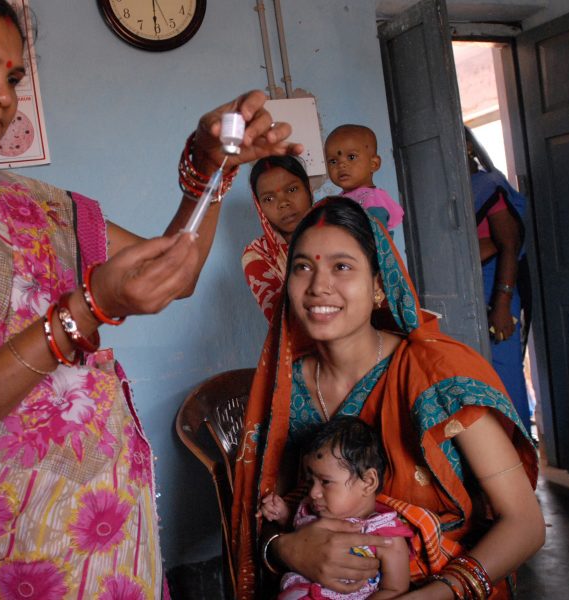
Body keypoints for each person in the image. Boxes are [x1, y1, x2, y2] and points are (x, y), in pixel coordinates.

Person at [0, 1, 301, 597]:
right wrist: (83, 312)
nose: (2, 95)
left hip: (116, 539)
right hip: (4, 562)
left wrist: (209, 173)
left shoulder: (40, 204)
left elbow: (176, 272)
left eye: (13, 78)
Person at [231, 197, 544, 599]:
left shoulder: (437, 376)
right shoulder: (283, 389)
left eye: (341, 267)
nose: (318, 286)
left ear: (379, 285)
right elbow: (265, 516)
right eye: (303, 267)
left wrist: (434, 594)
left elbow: (525, 523)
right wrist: (287, 548)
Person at [259, 416, 412, 600]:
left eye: (325, 482)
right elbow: (295, 530)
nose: (314, 492)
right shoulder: (310, 510)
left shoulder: (386, 536)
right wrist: (281, 513)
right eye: (310, 482)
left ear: (368, 482)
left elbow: (396, 590)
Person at [465, 128, 531, 433]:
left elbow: (508, 245)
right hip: (465, 292)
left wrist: (502, 304)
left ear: (468, 147)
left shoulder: (488, 185)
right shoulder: (448, 191)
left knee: (506, 378)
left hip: (496, 289)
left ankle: (519, 458)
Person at [242, 155, 314, 322]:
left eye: (292, 189)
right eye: (269, 199)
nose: (283, 203)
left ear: (308, 189)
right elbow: (283, 321)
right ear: (259, 206)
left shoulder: (339, 232)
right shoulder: (257, 255)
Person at [324, 125, 403, 233]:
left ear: (373, 164)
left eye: (351, 157)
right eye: (333, 161)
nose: (341, 165)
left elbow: (376, 240)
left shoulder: (373, 201)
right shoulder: (338, 199)